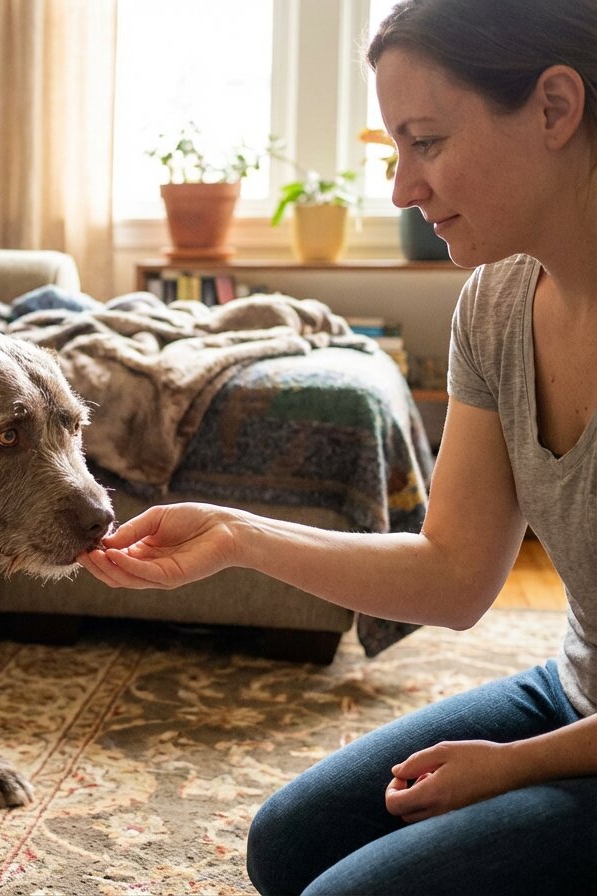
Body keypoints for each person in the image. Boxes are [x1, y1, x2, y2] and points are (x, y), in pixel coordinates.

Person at [78, 1, 597, 892]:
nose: (401, 189)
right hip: (577, 693)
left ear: (554, 107)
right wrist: (239, 536)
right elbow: (454, 573)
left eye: (426, 141)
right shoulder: (496, 304)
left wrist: (517, 767)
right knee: (286, 846)